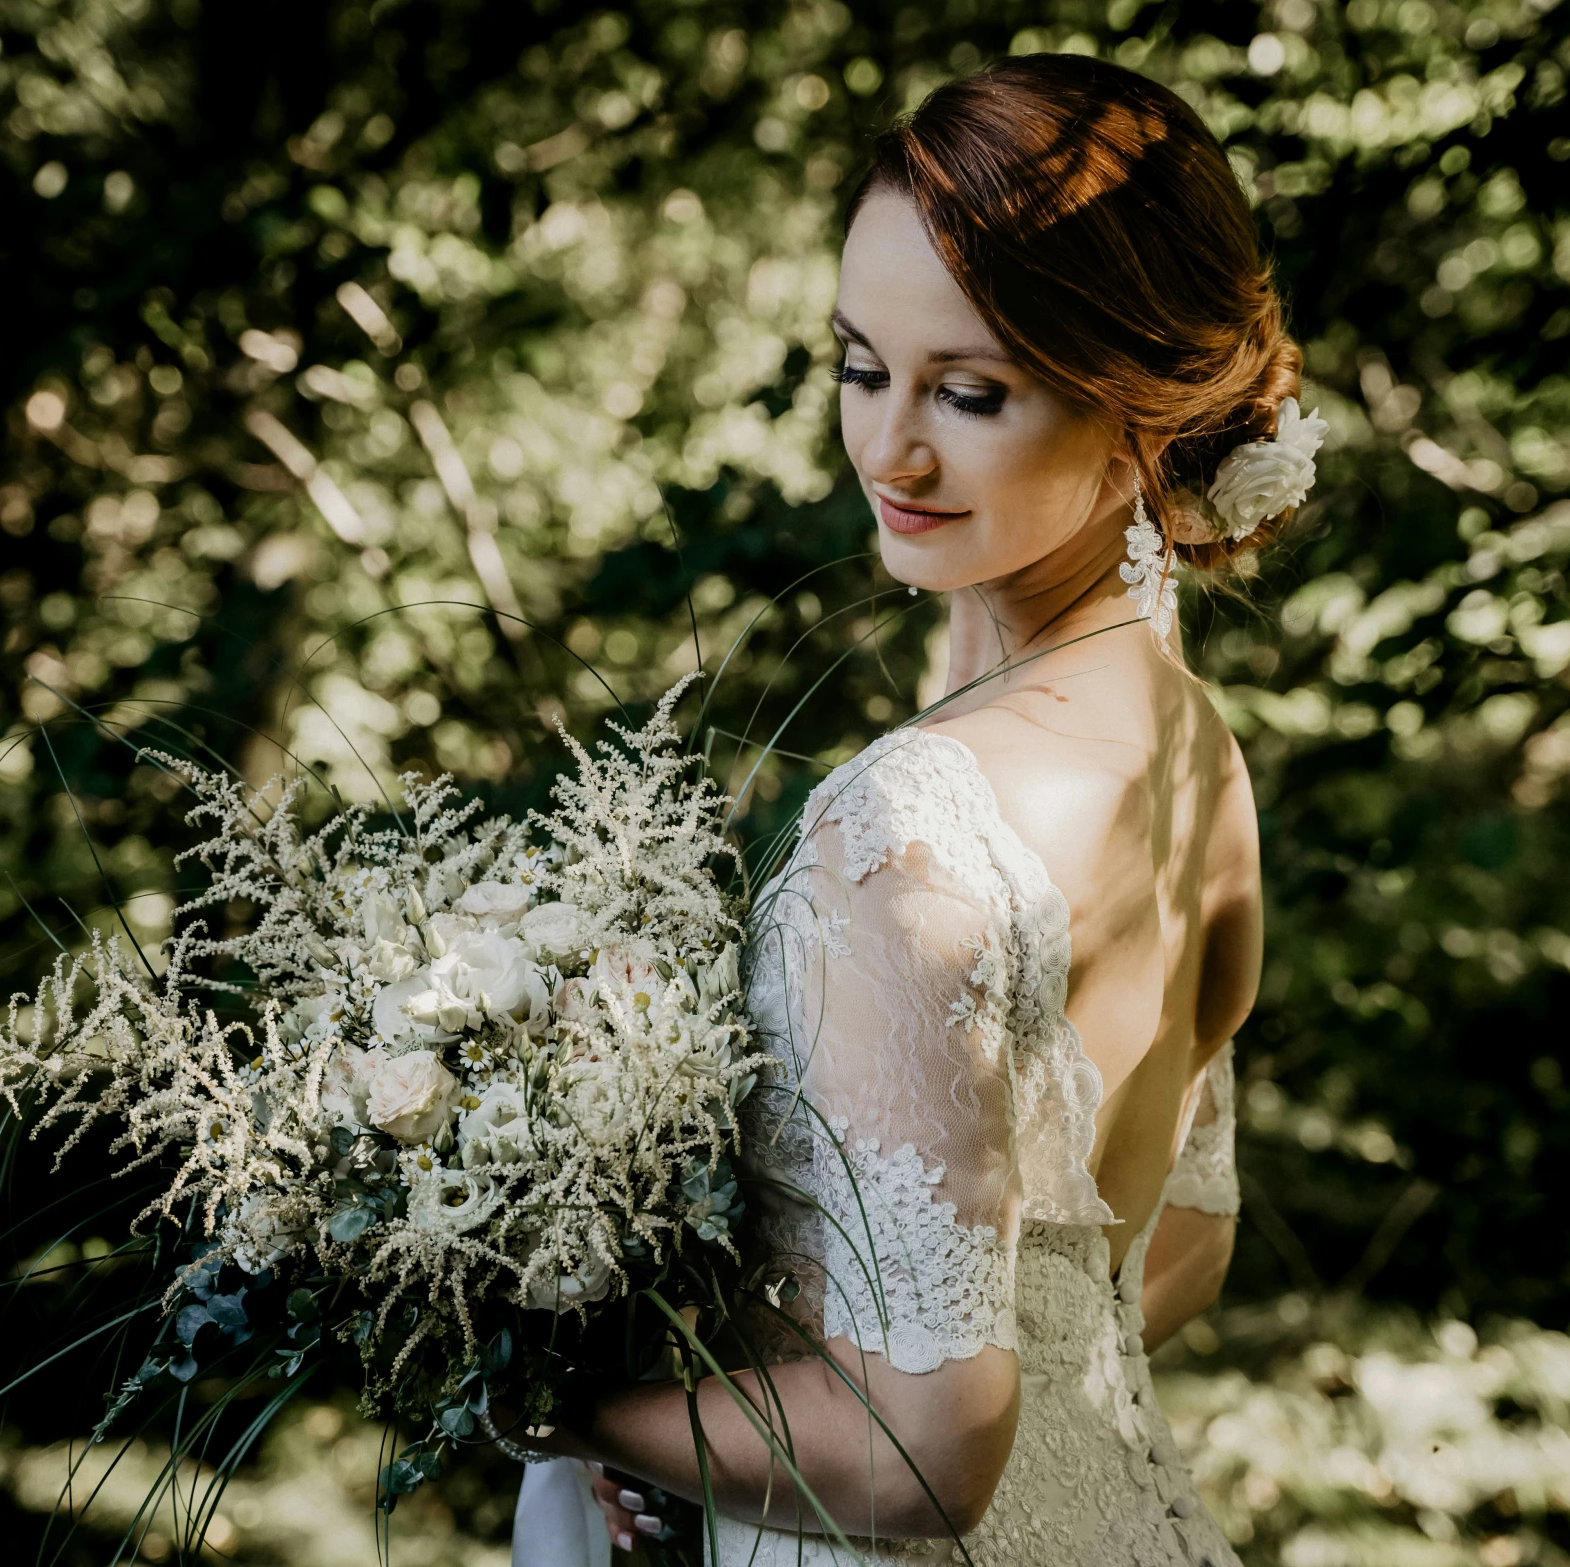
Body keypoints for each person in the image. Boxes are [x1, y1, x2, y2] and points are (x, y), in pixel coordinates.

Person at [516, 51, 1315, 1563]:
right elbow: (1180, 1252)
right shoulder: (1194, 756)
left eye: (968, 391)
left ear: (1139, 406)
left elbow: (914, 1462)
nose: (889, 448)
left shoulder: (912, 831)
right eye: (860, 367)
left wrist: (557, 1396)